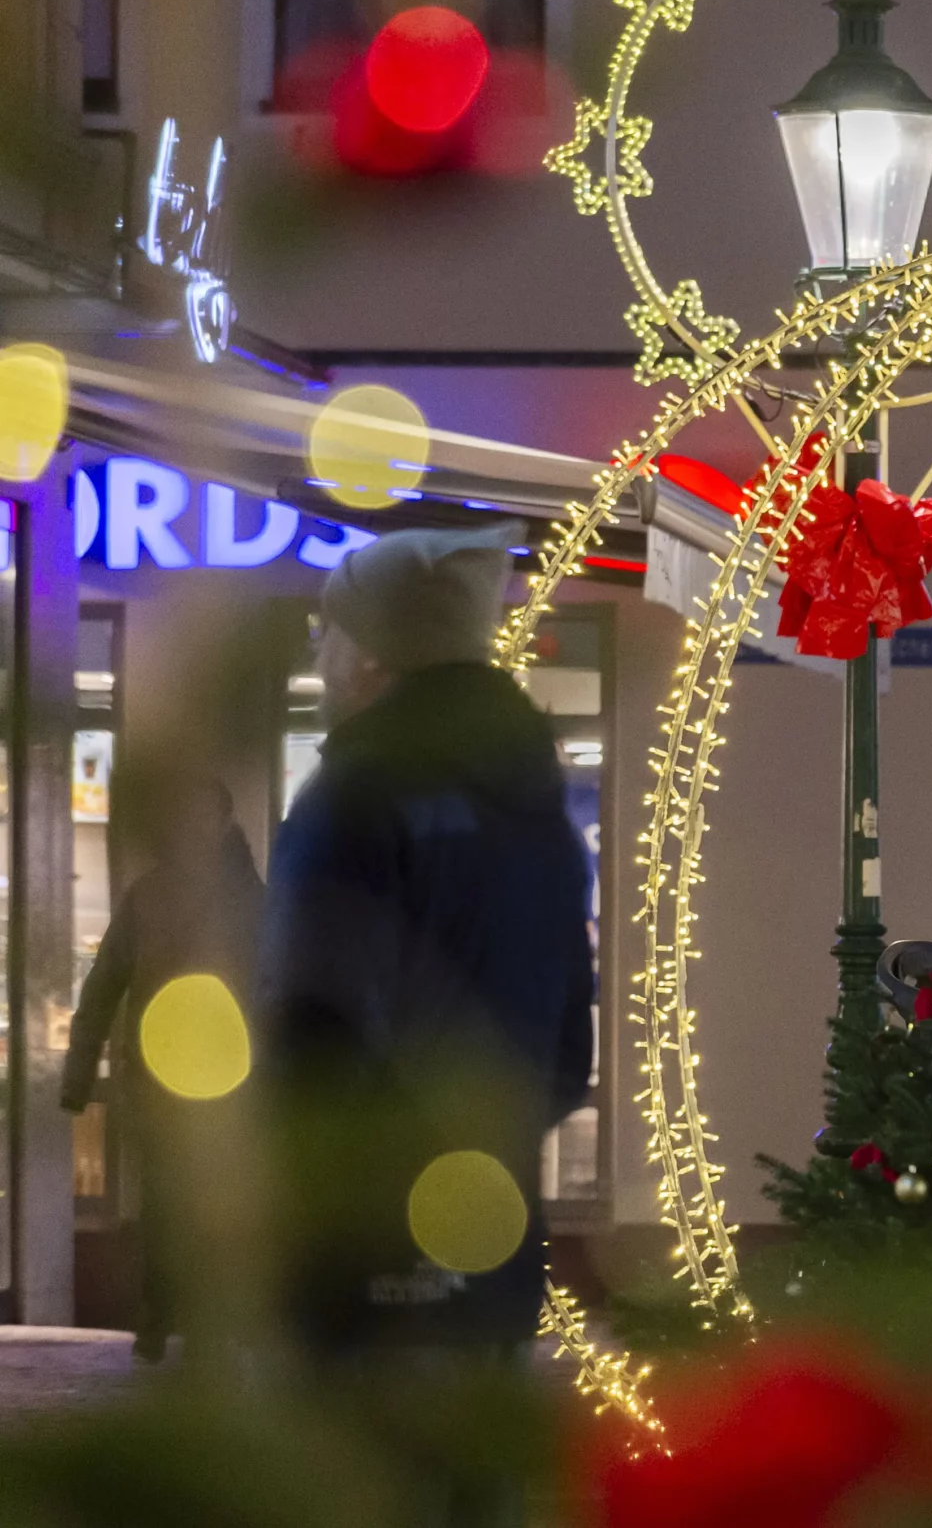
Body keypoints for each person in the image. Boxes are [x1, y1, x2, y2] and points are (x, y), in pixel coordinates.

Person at [257, 524, 594, 1361]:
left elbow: (311, 1038)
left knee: (349, 1488)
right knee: (473, 1481)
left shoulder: (355, 798)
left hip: (365, 1257)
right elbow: (564, 1059)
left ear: (373, 659)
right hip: (495, 1244)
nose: (320, 658)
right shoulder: (540, 819)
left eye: (328, 633)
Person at [62, 763, 265, 1361]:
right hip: (172, 1082)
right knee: (167, 1206)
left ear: (221, 822)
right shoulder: (173, 898)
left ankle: (194, 1317)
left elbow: (278, 993)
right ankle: (166, 1315)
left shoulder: (239, 901)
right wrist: (77, 1076)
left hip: (220, 1083)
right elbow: (102, 987)